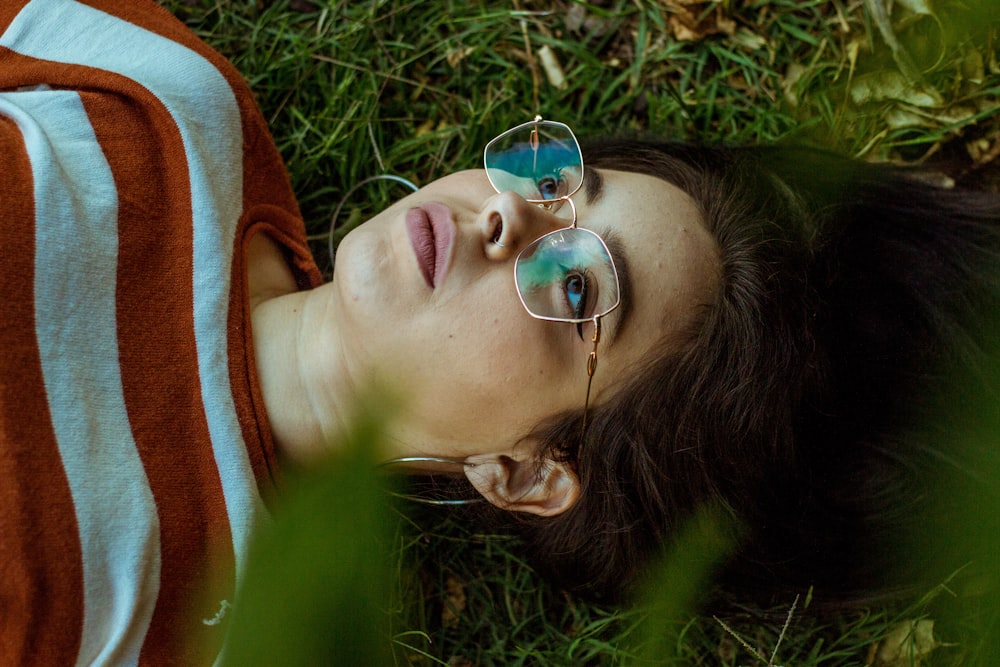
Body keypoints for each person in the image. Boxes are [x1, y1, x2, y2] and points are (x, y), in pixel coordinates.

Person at [2, 0, 998, 663]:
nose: (509, 216)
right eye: (559, 185)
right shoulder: (170, 105)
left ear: (524, 474)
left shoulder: (212, 622)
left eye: (575, 292)